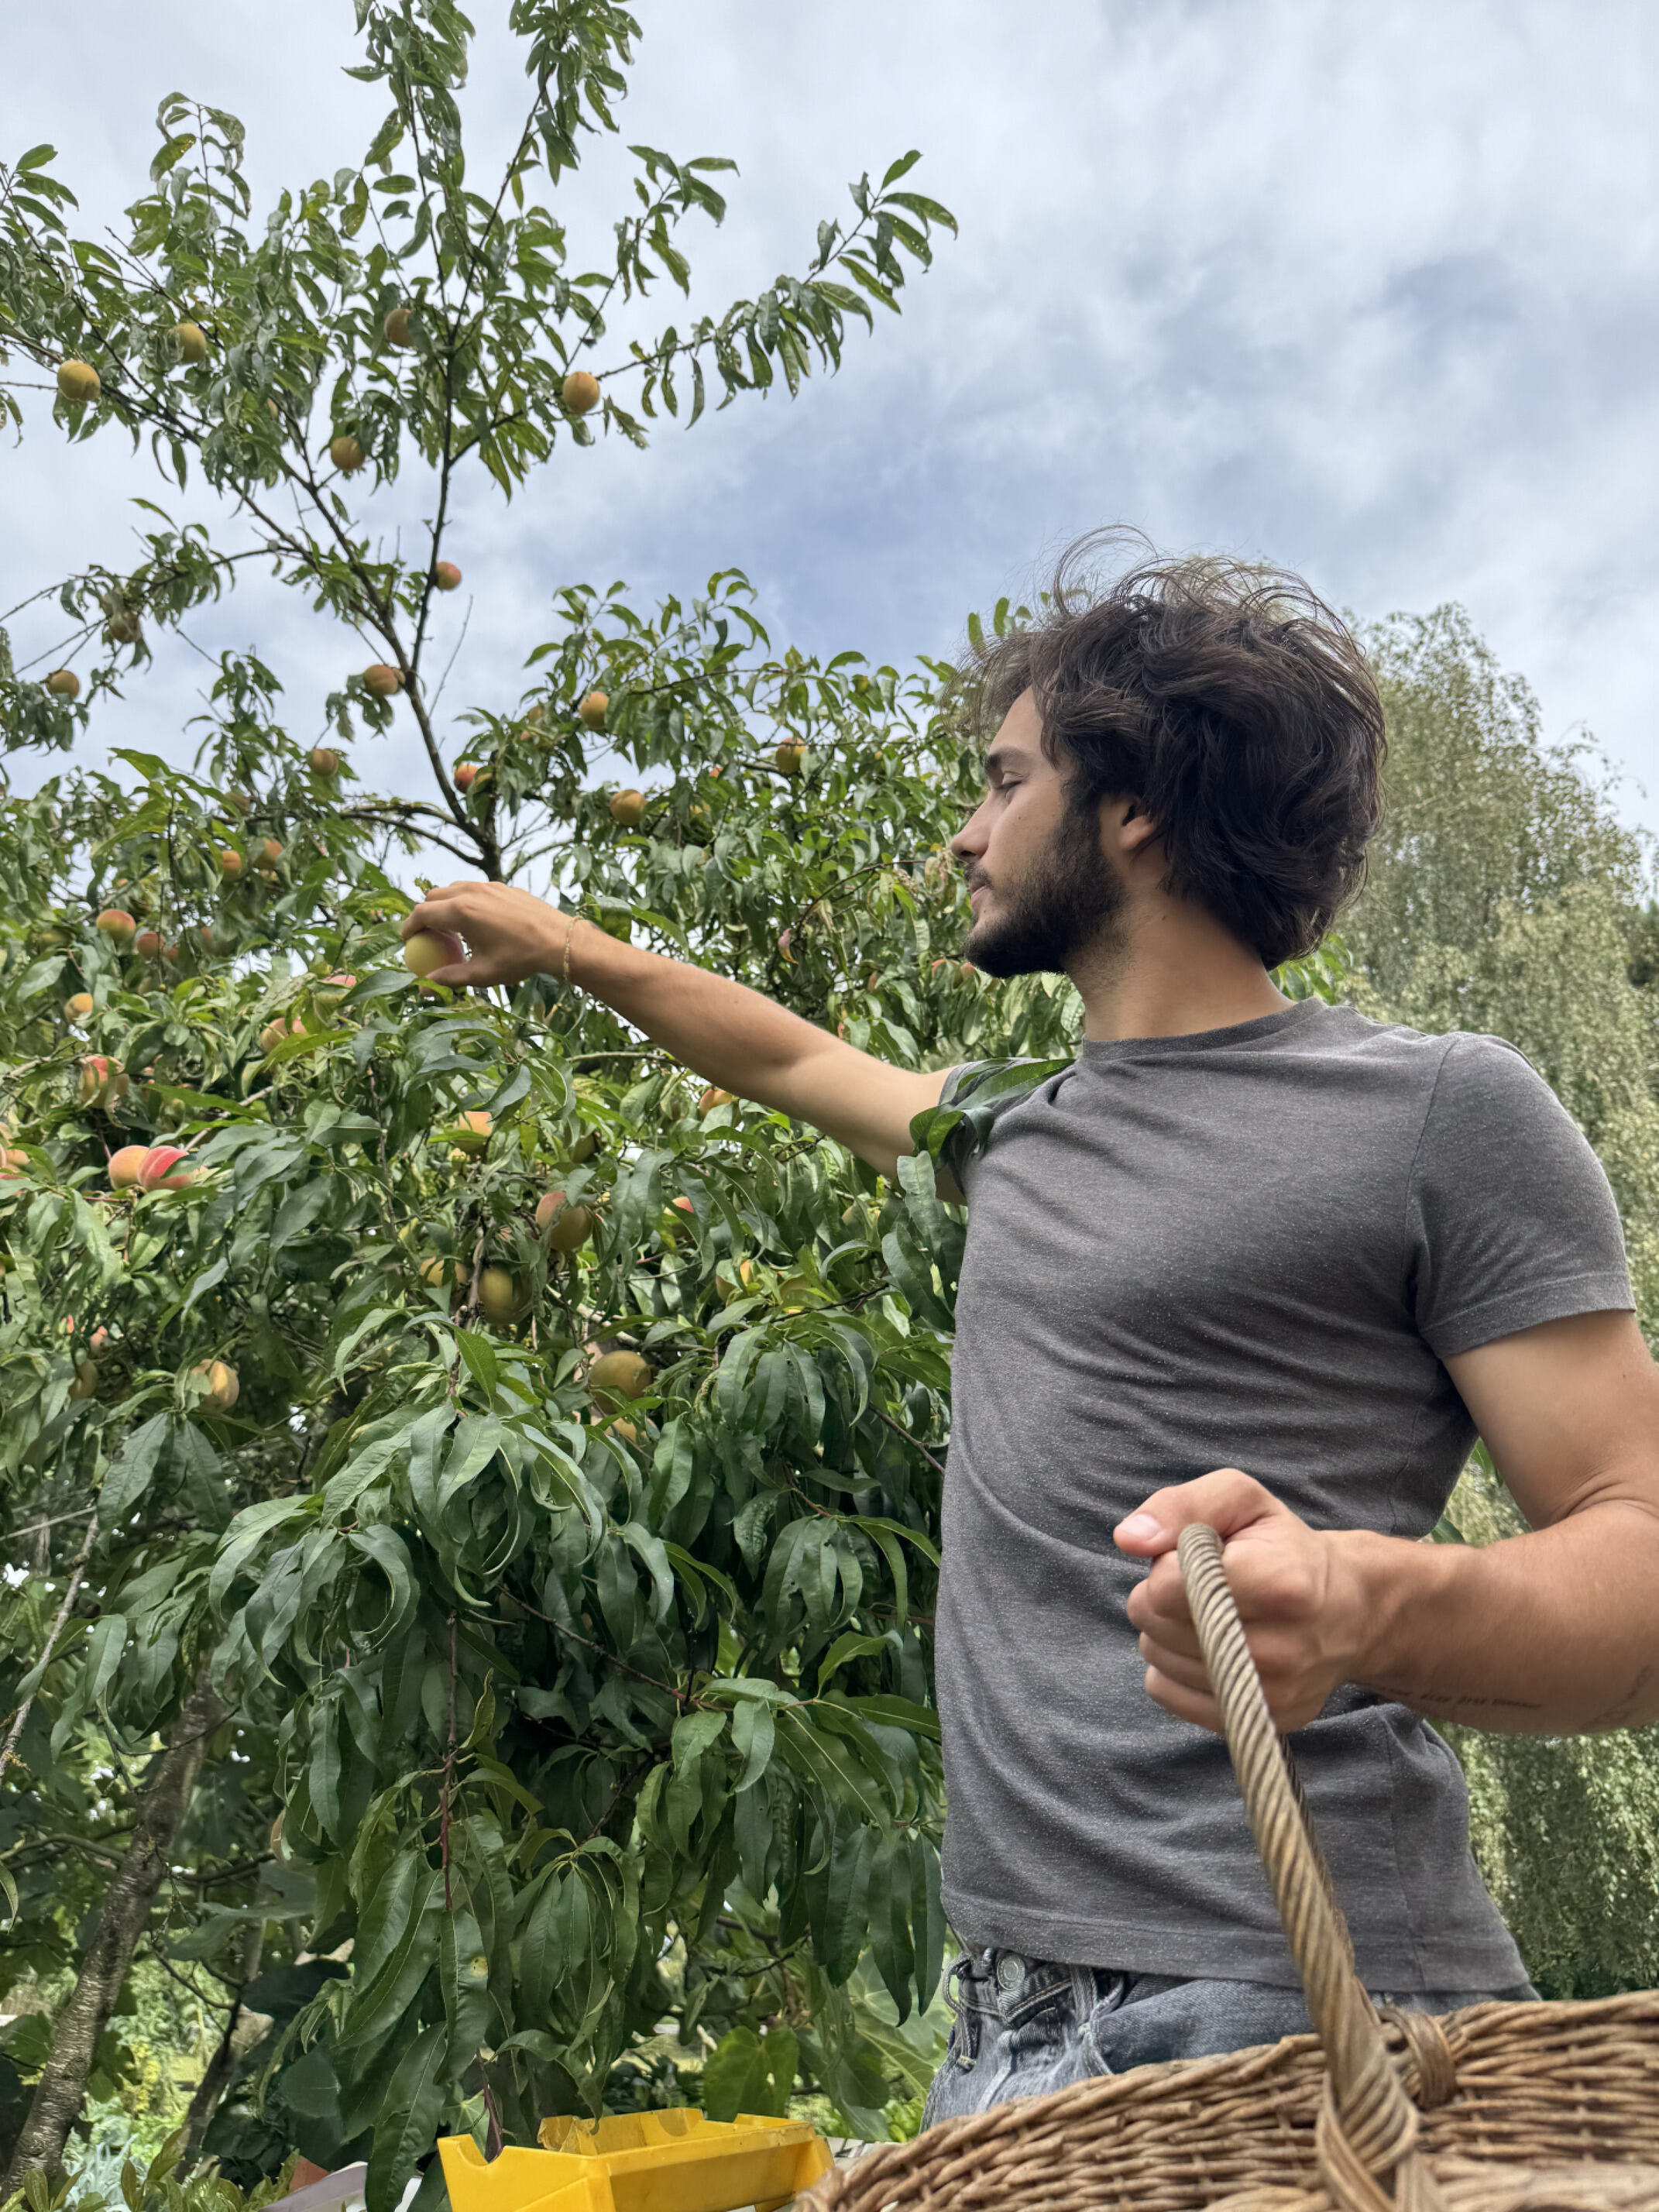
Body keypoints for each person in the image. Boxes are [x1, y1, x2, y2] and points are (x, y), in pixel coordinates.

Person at [401, 542, 1659, 2118]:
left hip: (1297, 2005)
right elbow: (791, 1060)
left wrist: (1360, 1600)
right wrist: (571, 950)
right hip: (1012, 2022)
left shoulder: (1437, 1113)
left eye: (1005, 782)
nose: (965, 832)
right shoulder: (1009, 1132)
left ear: (1133, 806)